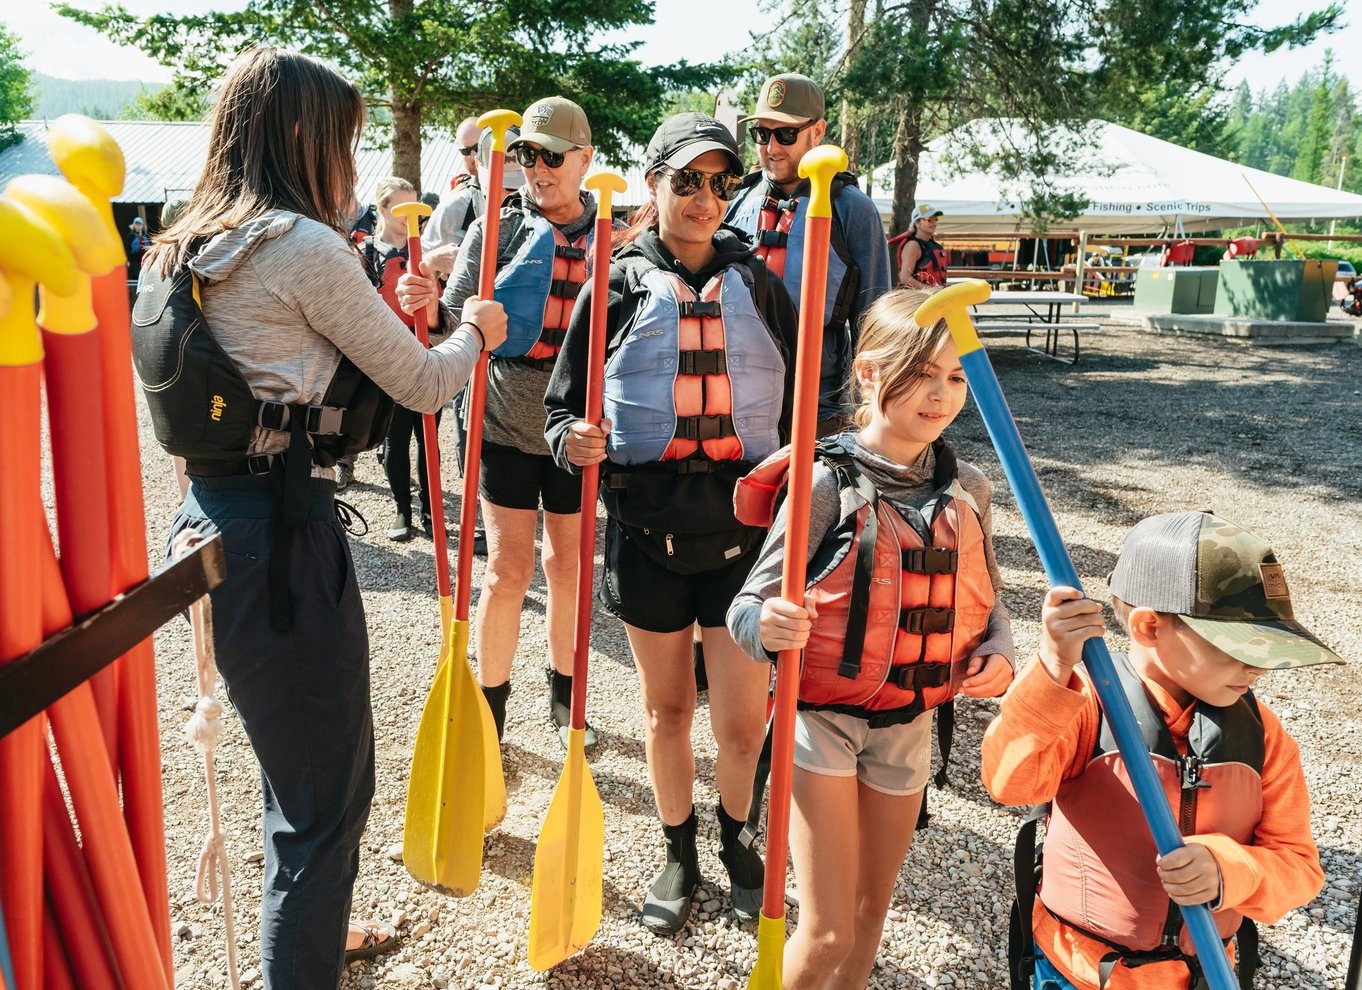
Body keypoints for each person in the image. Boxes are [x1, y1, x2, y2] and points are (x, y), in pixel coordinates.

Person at [141, 46, 506, 989]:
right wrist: (475, 330)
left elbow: (305, 359)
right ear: (305, 139)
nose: (349, 161)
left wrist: (404, 307)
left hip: (210, 521)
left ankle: (306, 936)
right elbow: (424, 386)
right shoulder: (301, 245)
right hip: (285, 541)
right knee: (326, 806)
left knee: (290, 779)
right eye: (343, 140)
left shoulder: (185, 243)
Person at [545, 111, 799, 935]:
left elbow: (802, 410)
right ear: (652, 186)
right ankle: (677, 851)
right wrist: (571, 441)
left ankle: (735, 840)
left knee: (739, 720)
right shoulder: (612, 284)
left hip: (740, 539)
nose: (704, 198)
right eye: (686, 180)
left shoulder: (760, 286)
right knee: (665, 714)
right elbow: (561, 409)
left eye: (721, 183)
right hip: (646, 534)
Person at [726, 288, 1015, 988]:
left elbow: (991, 602)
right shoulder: (826, 480)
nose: (940, 395)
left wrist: (1001, 651)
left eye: (955, 377)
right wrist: (767, 626)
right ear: (869, 374)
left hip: (909, 725)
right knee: (825, 933)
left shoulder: (967, 485)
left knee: (869, 913)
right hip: (819, 723)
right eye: (920, 374)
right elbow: (746, 609)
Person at [982, 511, 1338, 990]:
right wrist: (1051, 668)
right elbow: (1009, 782)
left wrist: (1228, 868)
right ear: (1150, 627)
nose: (1258, 669)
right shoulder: (1085, 702)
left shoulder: (1263, 737)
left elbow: (1298, 869)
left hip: (1203, 975)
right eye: (1239, 647)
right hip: (1079, 972)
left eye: (1266, 650)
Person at [431, 96, 597, 747]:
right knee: (507, 571)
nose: (538, 168)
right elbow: (449, 325)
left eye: (552, 156)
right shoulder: (490, 230)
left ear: (584, 160)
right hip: (501, 423)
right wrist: (426, 308)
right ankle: (489, 714)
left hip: (573, 432)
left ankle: (564, 688)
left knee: (567, 566)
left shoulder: (611, 240)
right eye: (528, 154)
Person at [726, 72, 891, 439]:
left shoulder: (852, 210)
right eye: (762, 134)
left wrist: (874, 400)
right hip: (738, 397)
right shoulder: (737, 202)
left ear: (818, 132)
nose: (772, 147)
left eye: (786, 134)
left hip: (817, 400)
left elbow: (876, 317)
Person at [423, 121, 526, 557]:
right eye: (467, 150)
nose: (469, 158)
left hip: (528, 362)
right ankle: (480, 518)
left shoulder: (535, 207)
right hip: (470, 349)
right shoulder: (459, 208)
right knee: (472, 441)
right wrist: (436, 267)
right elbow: (426, 259)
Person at [360, 176, 450, 540]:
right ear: (381, 209)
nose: (408, 216)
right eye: (400, 207)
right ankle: (402, 510)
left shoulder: (424, 253)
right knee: (395, 439)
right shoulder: (364, 253)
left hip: (426, 355)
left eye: (413, 206)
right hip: (387, 360)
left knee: (429, 438)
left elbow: (439, 306)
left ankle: (432, 512)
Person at [894, 204, 948, 289]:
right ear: (917, 223)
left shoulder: (935, 246)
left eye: (936, 219)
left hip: (933, 298)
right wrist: (930, 291)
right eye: (928, 219)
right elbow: (904, 278)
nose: (934, 223)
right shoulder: (913, 245)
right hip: (917, 299)